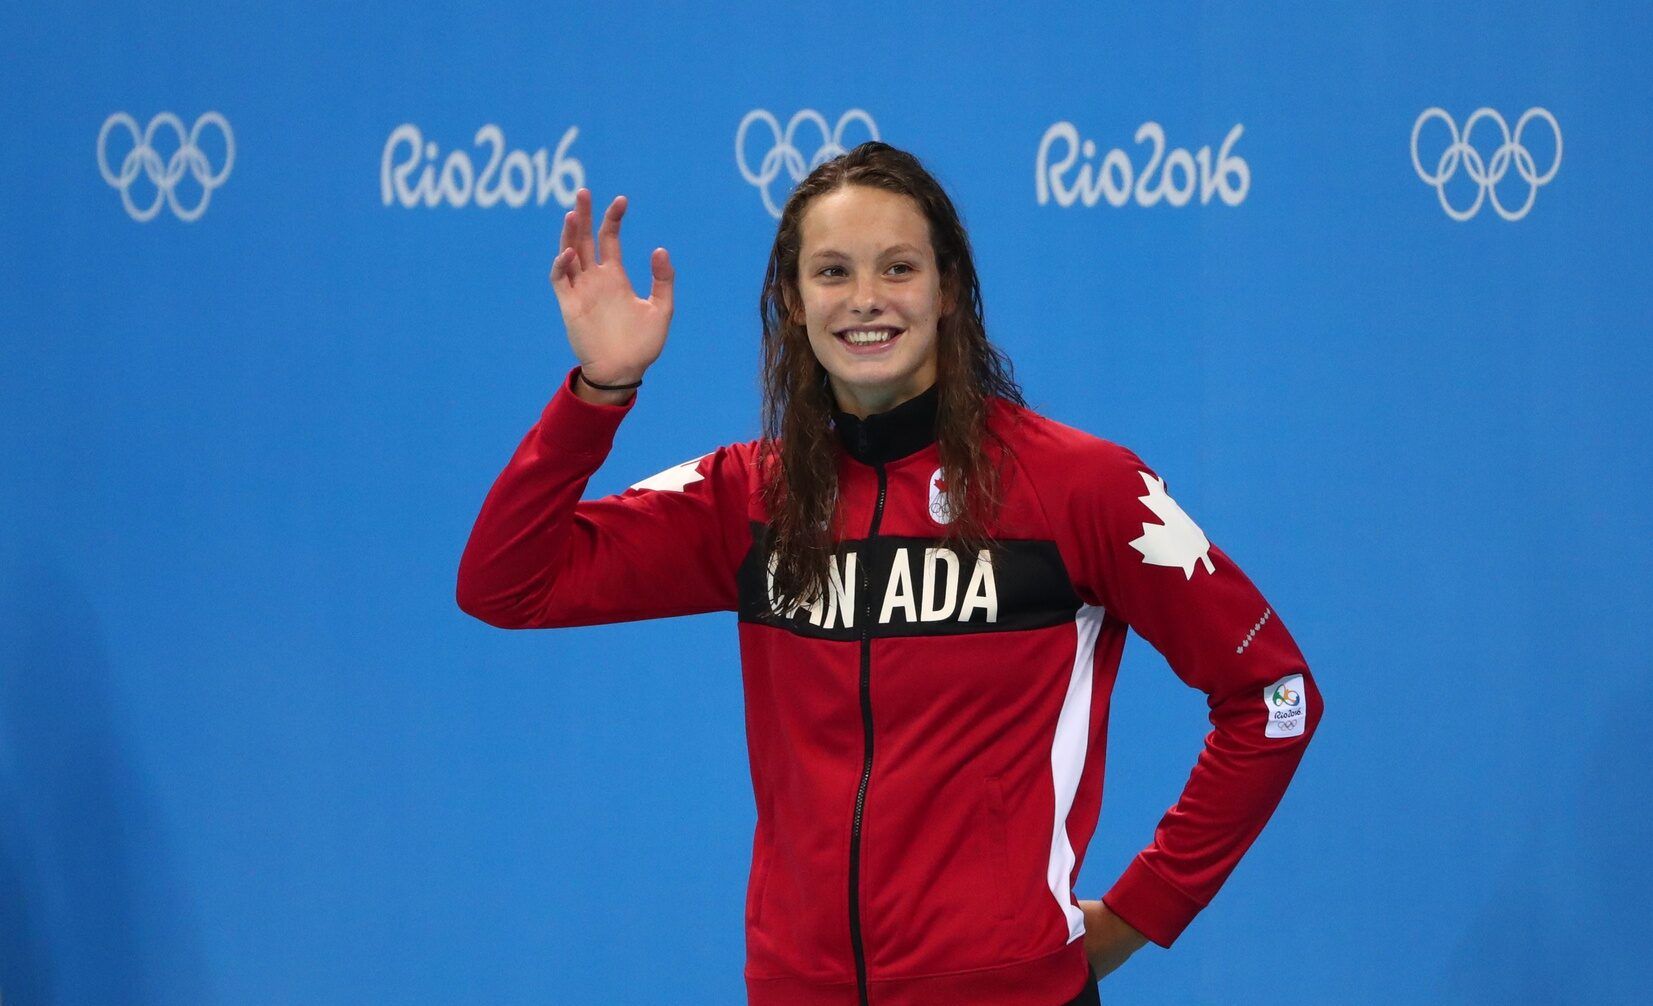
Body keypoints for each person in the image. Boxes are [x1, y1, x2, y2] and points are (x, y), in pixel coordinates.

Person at [456, 142, 1323, 1006]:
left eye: (897, 268)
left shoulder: (1081, 487)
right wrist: (599, 391)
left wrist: (1143, 910)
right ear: (792, 303)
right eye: (831, 272)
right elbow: (507, 583)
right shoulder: (748, 497)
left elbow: (1274, 696)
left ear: (948, 290)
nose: (865, 300)